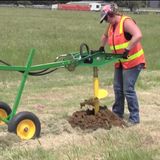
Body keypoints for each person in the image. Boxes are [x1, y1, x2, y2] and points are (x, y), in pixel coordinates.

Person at [99, 2, 146, 125]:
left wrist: (127, 49)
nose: (106, 21)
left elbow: (138, 35)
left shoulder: (126, 22)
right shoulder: (111, 25)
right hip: (120, 62)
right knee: (118, 88)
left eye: (106, 19)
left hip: (133, 61)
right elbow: (105, 36)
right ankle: (117, 113)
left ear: (111, 14)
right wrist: (101, 47)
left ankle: (134, 118)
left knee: (128, 90)